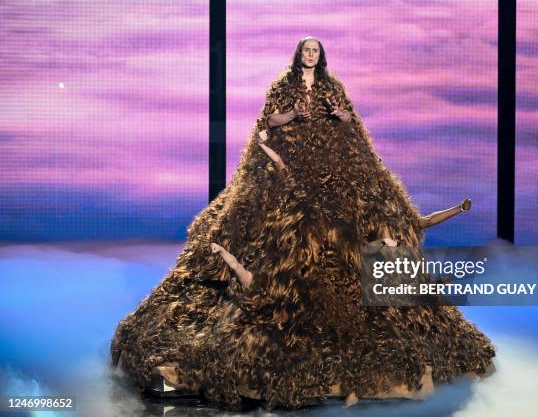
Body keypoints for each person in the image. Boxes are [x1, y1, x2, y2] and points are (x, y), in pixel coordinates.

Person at [111, 36, 495, 411]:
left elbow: (350, 121)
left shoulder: (332, 87)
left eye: (316, 50)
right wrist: (292, 116)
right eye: (306, 50)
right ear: (299, 55)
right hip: (294, 164)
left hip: (332, 168)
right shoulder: (283, 85)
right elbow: (269, 119)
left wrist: (341, 116)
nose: (311, 55)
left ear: (320, 56)